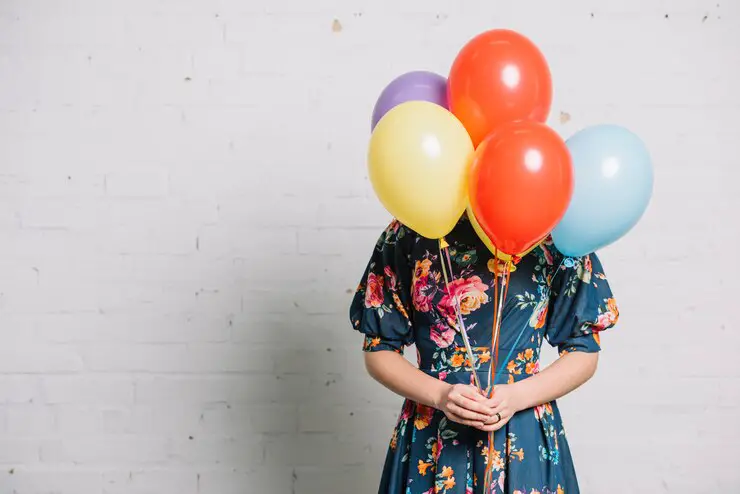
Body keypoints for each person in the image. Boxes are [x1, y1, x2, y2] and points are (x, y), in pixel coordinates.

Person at [349, 215, 619, 494]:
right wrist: (441, 395)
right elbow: (379, 349)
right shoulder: (412, 227)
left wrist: (518, 396)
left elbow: (584, 352)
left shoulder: (557, 229)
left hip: (522, 430)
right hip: (433, 429)